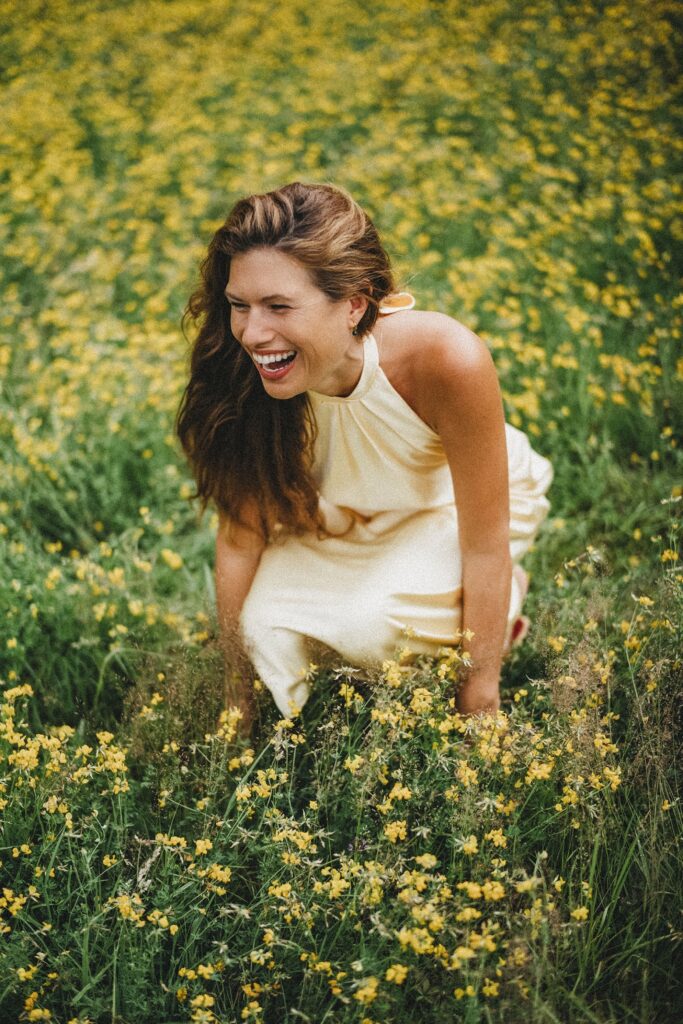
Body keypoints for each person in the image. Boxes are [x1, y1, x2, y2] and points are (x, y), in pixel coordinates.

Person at [176, 181, 552, 732]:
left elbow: (484, 543)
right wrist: (239, 700)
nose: (253, 334)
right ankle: (411, 599)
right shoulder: (244, 374)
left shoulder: (447, 358)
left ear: (354, 303)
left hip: (453, 508)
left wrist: (480, 696)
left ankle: (508, 600)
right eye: (239, 305)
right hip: (350, 516)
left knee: (371, 628)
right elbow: (239, 539)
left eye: (279, 306)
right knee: (264, 631)